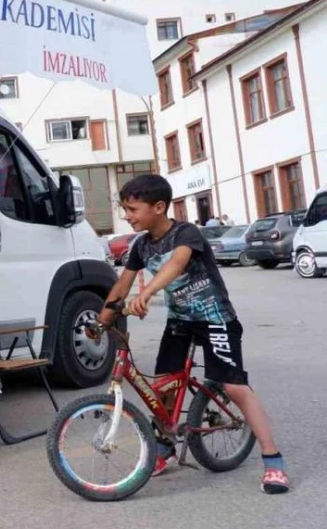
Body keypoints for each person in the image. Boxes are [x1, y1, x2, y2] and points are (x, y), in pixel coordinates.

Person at [95, 174, 289, 494]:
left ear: (159, 207)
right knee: (164, 386)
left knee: (233, 386)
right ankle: (165, 447)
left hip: (215, 319)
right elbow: (123, 284)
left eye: (132, 209)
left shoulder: (186, 232)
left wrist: (147, 294)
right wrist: (101, 322)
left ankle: (273, 458)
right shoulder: (140, 245)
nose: (126, 215)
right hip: (180, 321)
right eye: (124, 209)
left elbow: (176, 263)